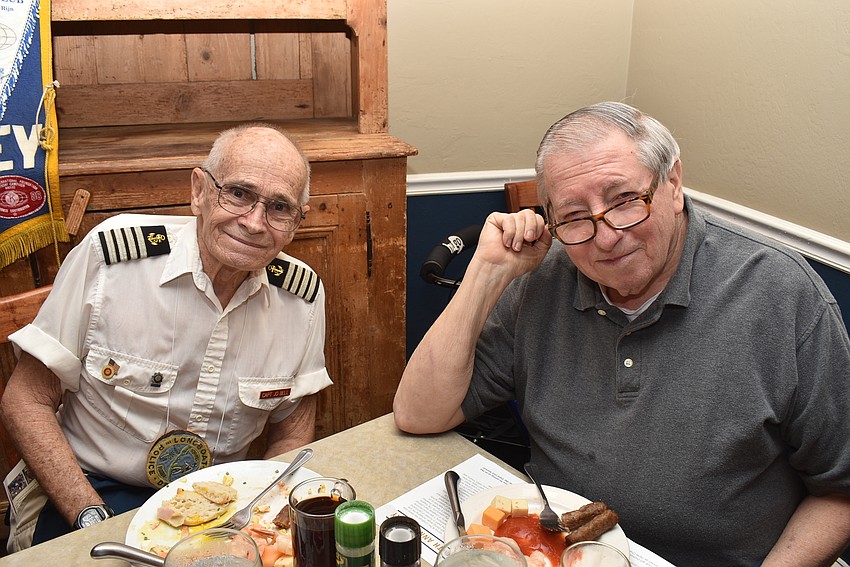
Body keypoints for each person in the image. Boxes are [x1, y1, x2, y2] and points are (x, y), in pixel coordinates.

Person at [394, 102, 850, 567]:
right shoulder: (540, 279)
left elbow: (841, 490)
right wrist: (487, 274)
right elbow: (418, 413)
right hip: (557, 552)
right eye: (573, 215)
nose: (605, 236)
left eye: (625, 200)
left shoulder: (782, 293)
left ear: (672, 184)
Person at [0, 123, 332, 551]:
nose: (253, 223)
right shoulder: (112, 258)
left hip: (224, 504)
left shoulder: (301, 297)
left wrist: (258, 520)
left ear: (297, 222)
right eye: (239, 194)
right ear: (199, 190)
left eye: (280, 207)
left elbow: (292, 431)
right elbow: (25, 399)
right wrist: (89, 516)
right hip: (92, 490)